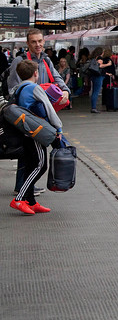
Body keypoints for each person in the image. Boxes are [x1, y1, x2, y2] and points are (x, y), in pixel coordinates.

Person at [9, 59, 62, 215]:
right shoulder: (34, 88)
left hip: (24, 131)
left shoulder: (18, 88)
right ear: (36, 73)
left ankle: (31, 201)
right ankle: (19, 199)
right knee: (41, 165)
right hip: (36, 132)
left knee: (31, 165)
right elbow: (48, 109)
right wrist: (58, 128)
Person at [87, 47, 111, 114]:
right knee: (96, 92)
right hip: (98, 77)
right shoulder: (99, 58)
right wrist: (108, 64)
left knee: (94, 91)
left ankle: (93, 107)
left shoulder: (94, 58)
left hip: (94, 76)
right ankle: (94, 107)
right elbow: (100, 66)